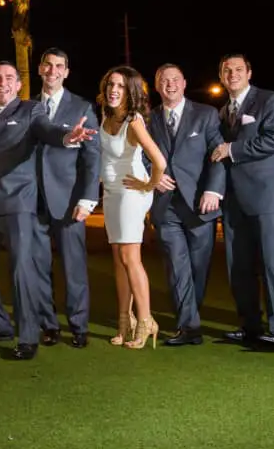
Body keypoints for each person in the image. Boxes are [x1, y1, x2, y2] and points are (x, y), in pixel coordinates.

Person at [0, 61, 96, 360]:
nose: (2, 82)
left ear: (19, 85)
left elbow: (47, 130)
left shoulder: (30, 110)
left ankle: (28, 339)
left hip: (17, 204)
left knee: (22, 270)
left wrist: (66, 137)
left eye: (10, 77)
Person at [212, 54, 274, 351]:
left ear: (249, 72)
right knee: (239, 264)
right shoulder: (224, 110)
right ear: (221, 76)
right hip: (234, 200)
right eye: (227, 70)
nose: (233, 74)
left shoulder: (269, 100)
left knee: (273, 263)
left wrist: (231, 149)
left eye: (238, 69)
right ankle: (250, 325)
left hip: (266, 196)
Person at [146, 64, 225, 346]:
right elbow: (141, 155)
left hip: (200, 206)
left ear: (184, 83)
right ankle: (189, 327)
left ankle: (190, 311)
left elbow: (217, 155)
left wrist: (213, 191)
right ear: (157, 86)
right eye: (164, 80)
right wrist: (152, 177)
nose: (170, 84)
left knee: (198, 268)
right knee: (177, 264)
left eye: (175, 80)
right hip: (165, 206)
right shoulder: (147, 118)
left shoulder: (206, 115)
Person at [34, 48, 101, 348]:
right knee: (38, 265)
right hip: (32, 199)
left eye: (59, 66)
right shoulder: (26, 106)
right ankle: (48, 325)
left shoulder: (81, 106)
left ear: (66, 72)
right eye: (47, 65)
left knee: (73, 266)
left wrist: (88, 198)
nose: (52, 71)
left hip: (69, 199)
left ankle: (79, 325)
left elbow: (92, 156)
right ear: (39, 69)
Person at [96, 66, 166, 350]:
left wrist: (149, 185)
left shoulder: (134, 121)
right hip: (112, 194)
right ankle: (125, 321)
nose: (114, 90)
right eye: (111, 84)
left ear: (131, 91)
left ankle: (147, 320)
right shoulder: (106, 114)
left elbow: (159, 162)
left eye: (121, 87)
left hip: (130, 193)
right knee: (118, 259)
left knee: (130, 257)